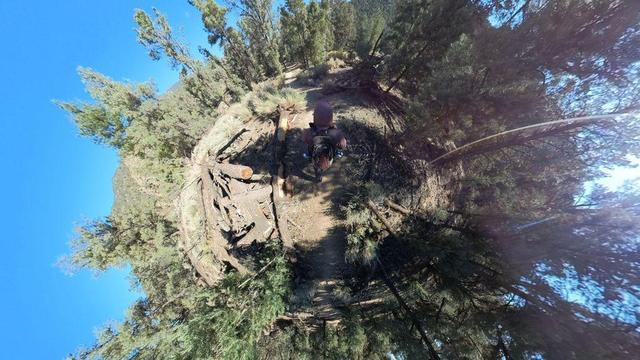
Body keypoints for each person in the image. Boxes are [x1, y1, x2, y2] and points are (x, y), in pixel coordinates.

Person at [303, 101, 347, 172]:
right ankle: (337, 153)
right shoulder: (336, 132)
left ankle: (308, 154)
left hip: (315, 152)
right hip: (329, 152)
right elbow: (343, 145)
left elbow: (305, 140)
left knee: (309, 146)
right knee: (338, 148)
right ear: (330, 116)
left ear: (315, 116)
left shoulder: (309, 131)